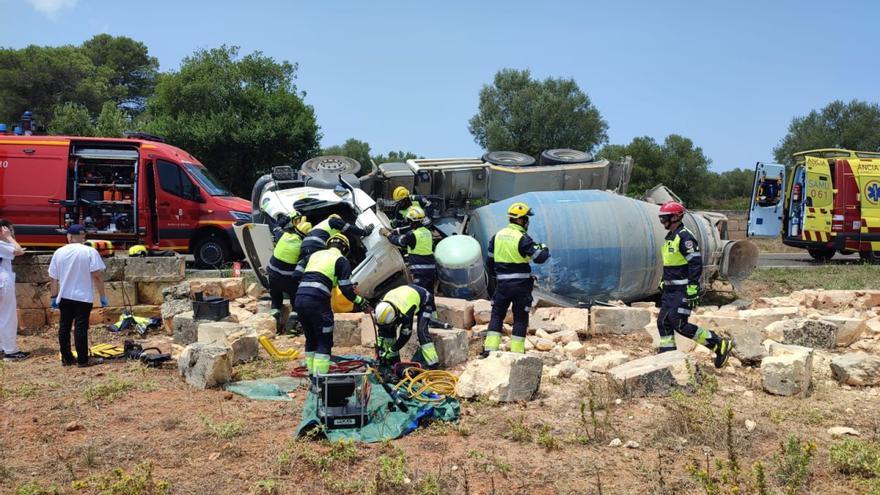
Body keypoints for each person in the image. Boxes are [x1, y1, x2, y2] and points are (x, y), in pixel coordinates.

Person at [657, 202, 732, 368]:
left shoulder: (685, 237)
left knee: (679, 324)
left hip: (681, 290)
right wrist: (663, 281)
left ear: (676, 217)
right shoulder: (671, 237)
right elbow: (671, 263)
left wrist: (692, 288)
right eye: (661, 219)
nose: (662, 222)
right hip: (670, 290)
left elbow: (695, 264)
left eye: (664, 218)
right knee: (663, 322)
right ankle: (667, 359)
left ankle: (718, 343)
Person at [292, 234, 368, 377]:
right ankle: (320, 379)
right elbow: (345, 289)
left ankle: (311, 375)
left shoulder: (313, 256)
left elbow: (296, 275)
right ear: (344, 248)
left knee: (311, 338)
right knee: (324, 340)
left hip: (300, 299)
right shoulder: (341, 260)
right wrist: (360, 301)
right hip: (318, 302)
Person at [482, 202, 550, 356]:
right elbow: (539, 258)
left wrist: (498, 276)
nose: (527, 222)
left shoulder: (497, 236)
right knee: (520, 318)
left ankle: (489, 351)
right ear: (520, 220)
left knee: (497, 315)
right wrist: (544, 248)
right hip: (521, 287)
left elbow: (489, 262)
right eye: (526, 219)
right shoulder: (523, 238)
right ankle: (516, 354)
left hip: (502, 286)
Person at [48, 224, 108, 367]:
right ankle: (82, 359)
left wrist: (53, 297)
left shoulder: (59, 252)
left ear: (69, 236)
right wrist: (102, 296)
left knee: (64, 327)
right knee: (81, 328)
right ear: (83, 237)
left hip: (65, 296)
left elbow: (53, 278)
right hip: (83, 297)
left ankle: (67, 358)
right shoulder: (89, 252)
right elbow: (97, 276)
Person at [373, 283, 439, 369]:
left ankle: (432, 363)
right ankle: (394, 362)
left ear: (396, 317)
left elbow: (406, 335)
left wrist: (393, 349)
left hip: (425, 299)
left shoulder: (406, 313)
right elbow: (382, 329)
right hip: (406, 294)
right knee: (388, 330)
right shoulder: (382, 308)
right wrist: (380, 345)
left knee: (421, 331)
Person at [267, 219, 312, 334]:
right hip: (289, 280)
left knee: (276, 297)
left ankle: (274, 322)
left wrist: (288, 218)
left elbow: (276, 226)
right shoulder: (303, 247)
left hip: (273, 275)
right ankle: (291, 327)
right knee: (295, 300)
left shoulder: (283, 235)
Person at [386, 206, 436, 292]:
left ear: (413, 221)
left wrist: (388, 234)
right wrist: (395, 231)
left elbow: (399, 241)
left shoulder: (412, 235)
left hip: (420, 270)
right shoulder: (427, 232)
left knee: (420, 293)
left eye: (409, 221)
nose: (408, 223)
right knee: (429, 293)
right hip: (431, 268)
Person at [0, 220, 30, 361]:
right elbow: (18, 251)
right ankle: (11, 351)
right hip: (2, 282)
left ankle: (2, 346)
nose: (13, 233)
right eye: (10, 230)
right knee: (8, 316)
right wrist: (9, 237)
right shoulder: (2, 244)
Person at [299, 214, 374, 259]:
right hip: (316, 245)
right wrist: (364, 232)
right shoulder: (334, 221)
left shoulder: (323, 224)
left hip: (304, 246)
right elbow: (349, 228)